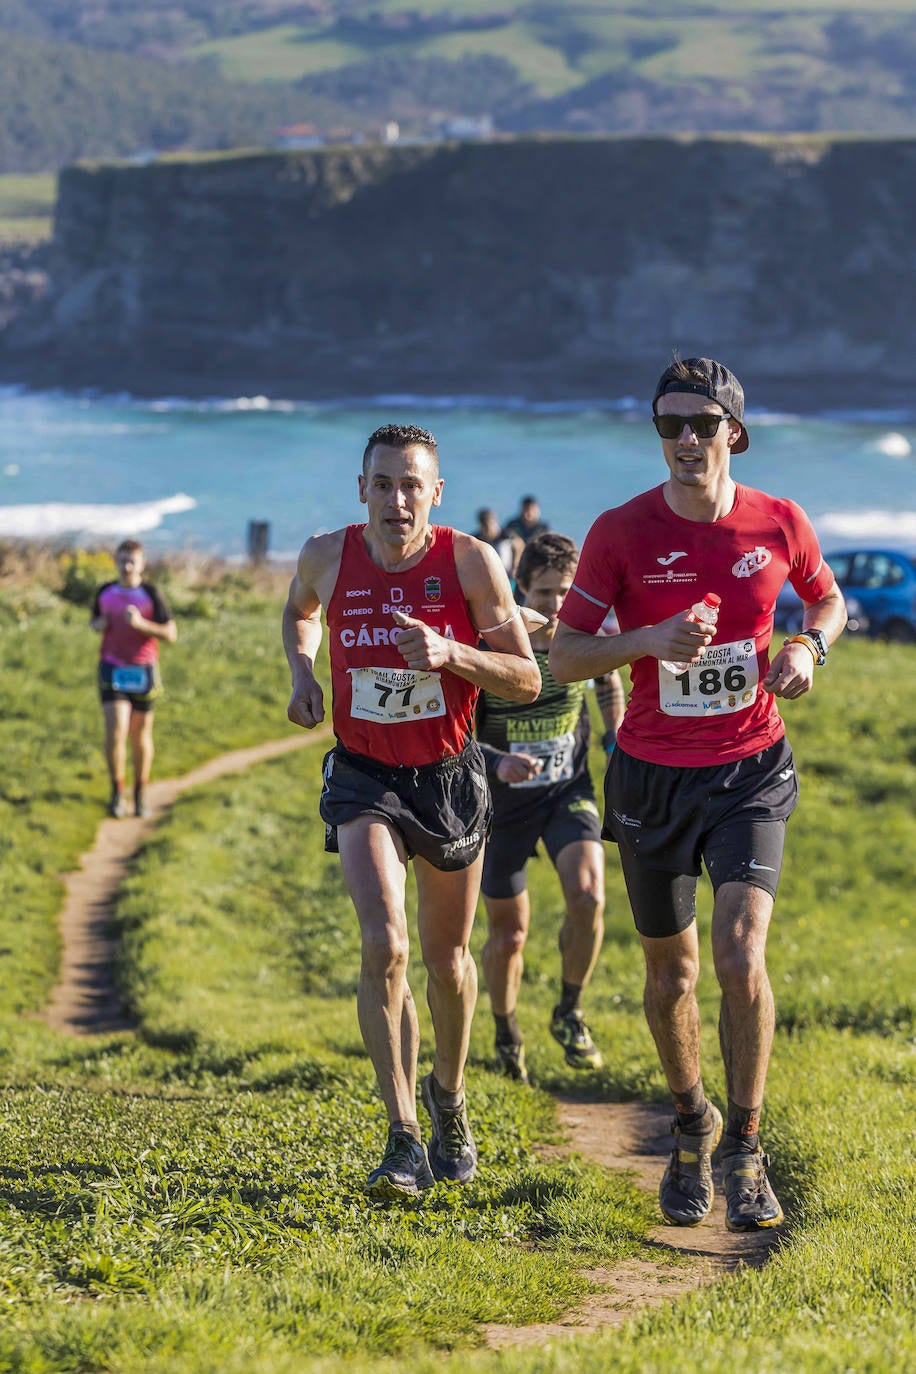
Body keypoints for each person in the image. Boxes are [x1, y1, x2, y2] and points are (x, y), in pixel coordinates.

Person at [549, 356, 846, 1233]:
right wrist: (650, 639)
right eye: (667, 425)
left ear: (734, 432)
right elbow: (563, 658)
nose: (684, 440)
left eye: (701, 424)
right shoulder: (620, 531)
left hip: (751, 768)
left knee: (738, 952)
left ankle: (746, 1148)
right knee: (670, 971)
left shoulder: (780, 520)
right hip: (650, 775)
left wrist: (806, 650)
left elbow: (826, 604)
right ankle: (691, 1125)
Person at [283, 423, 541, 1200]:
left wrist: (451, 654)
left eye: (412, 485)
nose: (397, 499)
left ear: (436, 492)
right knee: (384, 944)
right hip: (365, 777)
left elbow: (525, 679)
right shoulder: (327, 555)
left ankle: (449, 1099)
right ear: (362, 488)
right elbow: (301, 612)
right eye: (383, 483)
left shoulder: (469, 560)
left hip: (449, 776)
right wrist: (303, 670)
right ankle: (401, 1135)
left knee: (448, 962)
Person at [476, 533, 625, 1083]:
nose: (557, 605)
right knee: (509, 935)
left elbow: (608, 677)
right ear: (519, 589)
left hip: (568, 791)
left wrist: (616, 736)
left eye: (566, 591)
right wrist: (497, 763)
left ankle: (568, 1010)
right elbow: (456, 735)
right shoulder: (490, 646)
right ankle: (505, 1030)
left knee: (588, 897)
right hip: (503, 804)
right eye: (544, 592)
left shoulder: (582, 636)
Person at [90, 539, 177, 818]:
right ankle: (117, 793)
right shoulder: (105, 592)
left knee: (140, 736)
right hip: (112, 668)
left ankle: (139, 794)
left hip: (143, 670)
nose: (127, 566)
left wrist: (141, 624)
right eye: (122, 560)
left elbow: (171, 634)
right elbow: (94, 621)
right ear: (115, 561)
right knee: (116, 730)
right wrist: (98, 625)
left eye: (132, 561)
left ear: (142, 564)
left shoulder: (150, 593)